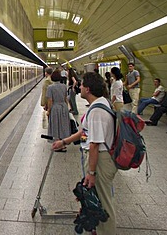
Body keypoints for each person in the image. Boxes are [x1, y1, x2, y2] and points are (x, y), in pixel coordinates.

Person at [52, 72, 117, 235]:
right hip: (99, 158)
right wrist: (64, 141)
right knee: (99, 199)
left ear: (87, 89)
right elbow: (85, 133)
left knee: (104, 203)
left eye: (81, 85)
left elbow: (94, 144)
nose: (78, 87)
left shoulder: (96, 112)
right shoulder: (100, 104)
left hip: (100, 160)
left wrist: (91, 172)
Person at [46, 69, 70, 150]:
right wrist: (68, 108)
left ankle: (57, 144)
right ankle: (63, 143)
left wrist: (48, 110)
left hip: (55, 107)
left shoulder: (50, 87)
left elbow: (50, 100)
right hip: (63, 107)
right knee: (63, 125)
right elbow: (65, 98)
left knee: (56, 125)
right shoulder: (64, 86)